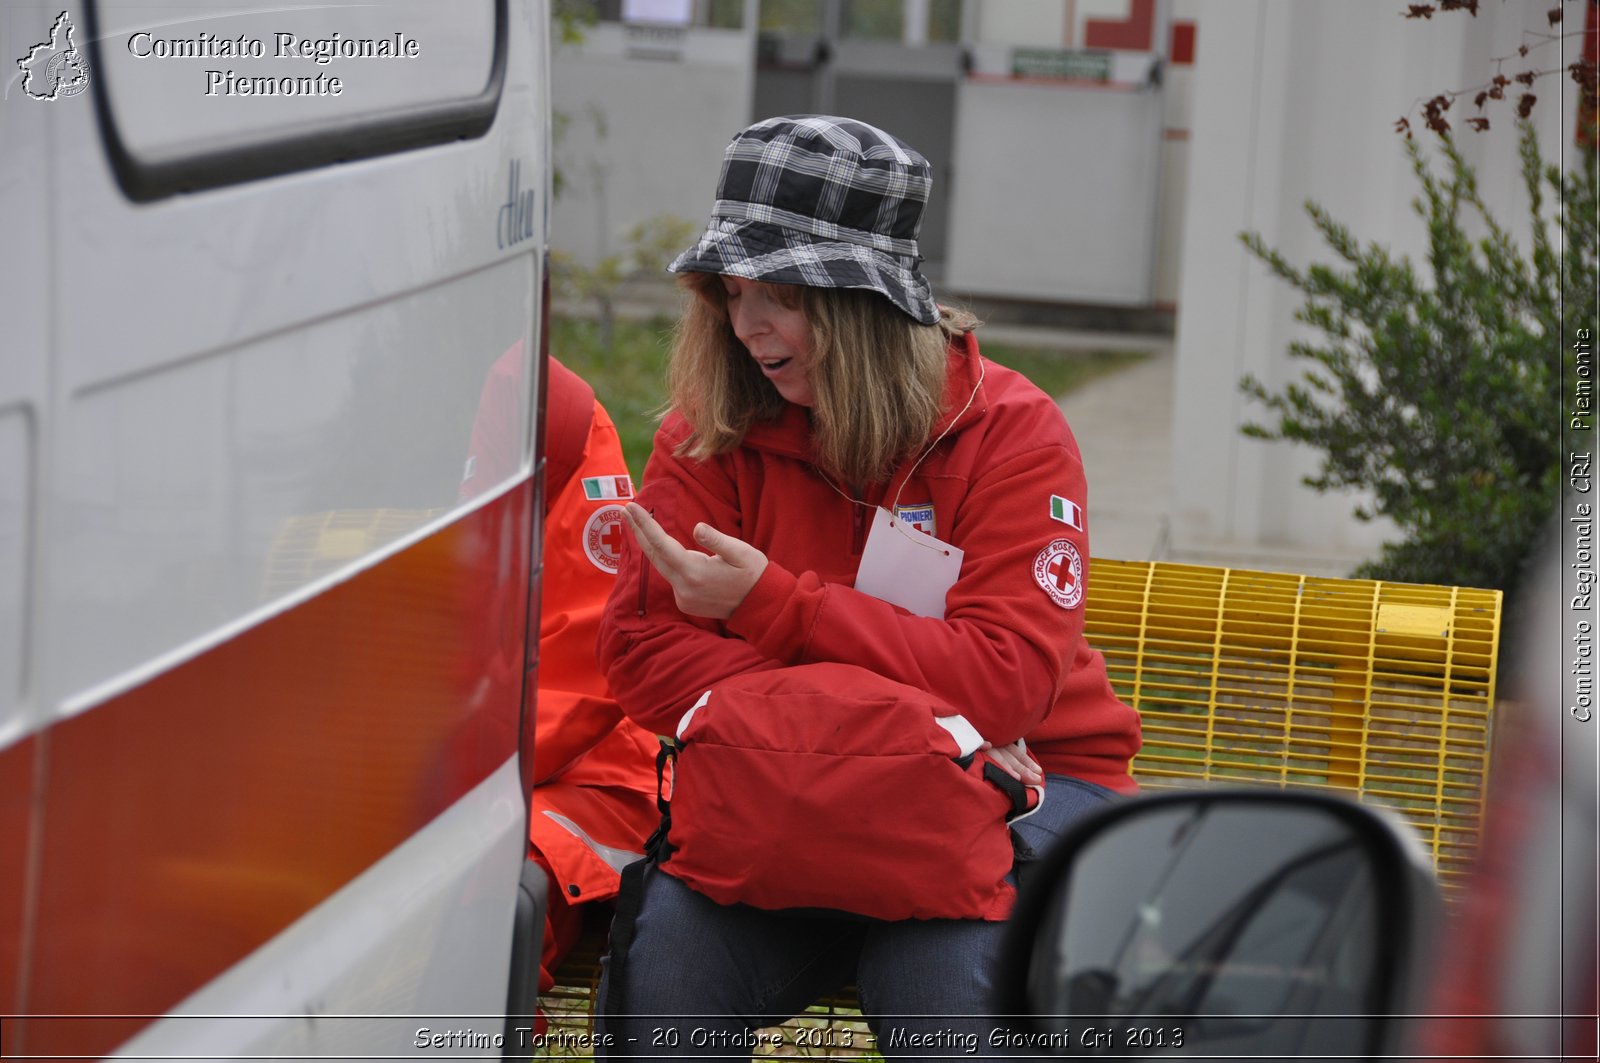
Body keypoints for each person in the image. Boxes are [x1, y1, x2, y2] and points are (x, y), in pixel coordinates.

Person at [593, 115, 1142, 1056]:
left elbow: (1009, 681)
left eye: (781, 294)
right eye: (731, 291)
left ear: (866, 300)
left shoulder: (1010, 431)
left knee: (937, 982)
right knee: (669, 966)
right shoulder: (707, 430)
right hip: (781, 797)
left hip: (1031, 782)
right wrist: (908, 727)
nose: (747, 324)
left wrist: (770, 607)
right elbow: (641, 652)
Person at [462, 352, 661, 1014]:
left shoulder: (551, 409)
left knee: (479, 893)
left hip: (575, 771)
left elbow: (593, 661)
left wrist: (447, 779)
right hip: (435, 752)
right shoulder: (319, 369)